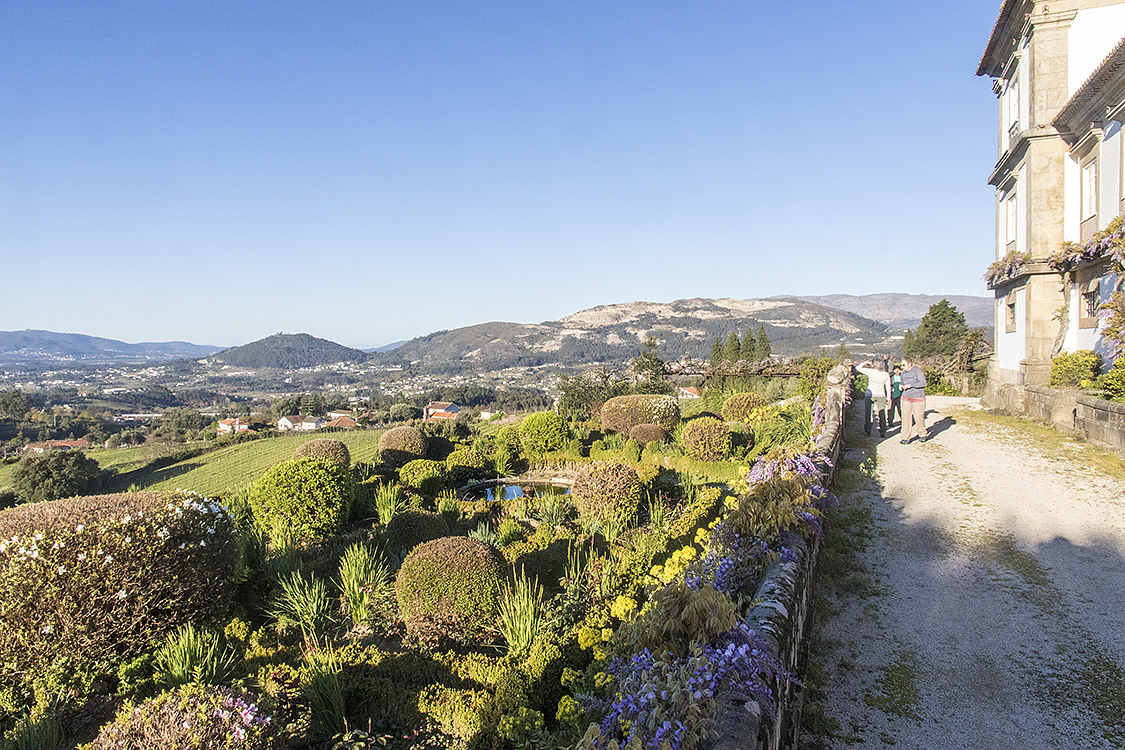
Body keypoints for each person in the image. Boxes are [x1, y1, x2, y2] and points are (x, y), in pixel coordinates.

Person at [856, 359, 891, 437]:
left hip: (870, 394)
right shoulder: (886, 374)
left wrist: (865, 362)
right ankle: (883, 431)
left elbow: (858, 368)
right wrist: (889, 397)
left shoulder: (871, 372)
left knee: (869, 413)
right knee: (882, 413)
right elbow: (888, 386)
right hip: (881, 394)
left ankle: (868, 431)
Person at [899, 357, 928, 443]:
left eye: (904, 365)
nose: (902, 366)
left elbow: (923, 383)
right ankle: (905, 437)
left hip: (918, 397)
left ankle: (922, 434)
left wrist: (911, 385)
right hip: (906, 397)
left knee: (918, 417)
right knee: (906, 417)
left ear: (909, 364)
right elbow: (902, 382)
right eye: (901, 365)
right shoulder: (903, 374)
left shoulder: (917, 371)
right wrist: (901, 386)